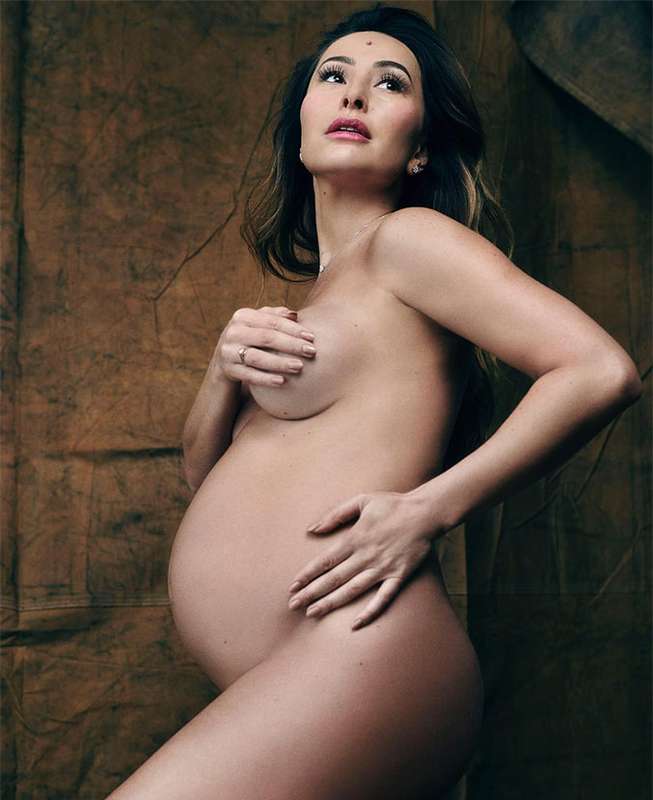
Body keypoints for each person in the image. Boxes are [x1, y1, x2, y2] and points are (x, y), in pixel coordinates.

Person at [106, 5, 642, 799]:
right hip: (291, 673)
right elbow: (203, 476)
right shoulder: (322, 295)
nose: (354, 94)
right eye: (333, 76)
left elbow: (599, 370)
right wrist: (222, 370)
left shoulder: (410, 241)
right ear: (299, 128)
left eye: (389, 84)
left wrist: (426, 511)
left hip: (361, 653)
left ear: (419, 148)